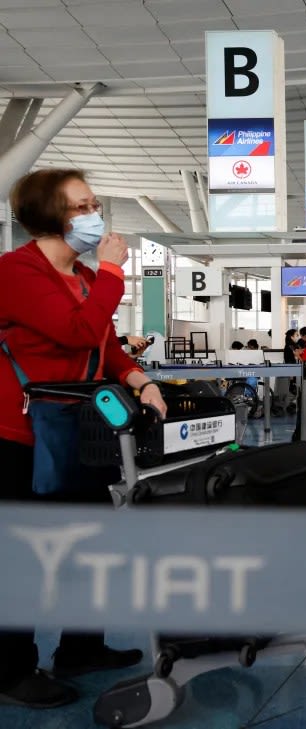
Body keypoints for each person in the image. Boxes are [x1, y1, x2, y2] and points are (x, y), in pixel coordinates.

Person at [0, 168, 169, 708]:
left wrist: (139, 380)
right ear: (48, 215)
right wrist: (116, 272)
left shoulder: (88, 279)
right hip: (19, 434)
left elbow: (106, 346)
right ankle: (9, 671)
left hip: (80, 428)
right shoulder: (16, 272)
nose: (94, 214)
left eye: (94, 203)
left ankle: (81, 646)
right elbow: (72, 330)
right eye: (81, 206)